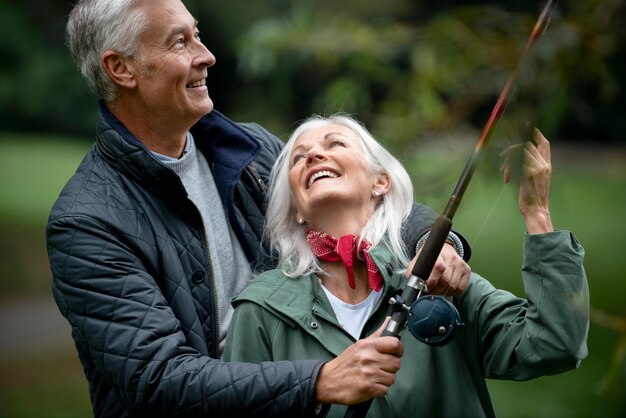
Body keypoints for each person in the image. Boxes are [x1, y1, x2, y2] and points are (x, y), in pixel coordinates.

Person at [46, 0, 473, 417]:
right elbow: (158, 380)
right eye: (179, 42)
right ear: (121, 68)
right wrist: (317, 381)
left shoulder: (249, 151)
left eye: (198, 35)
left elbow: (365, 199)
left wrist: (436, 241)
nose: (206, 55)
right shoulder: (85, 223)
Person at [223, 114, 590, 417]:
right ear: (296, 210)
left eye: (335, 144)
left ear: (380, 182)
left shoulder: (437, 274)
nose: (314, 156)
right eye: (299, 157)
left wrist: (538, 215)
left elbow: (553, 344)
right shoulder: (259, 309)